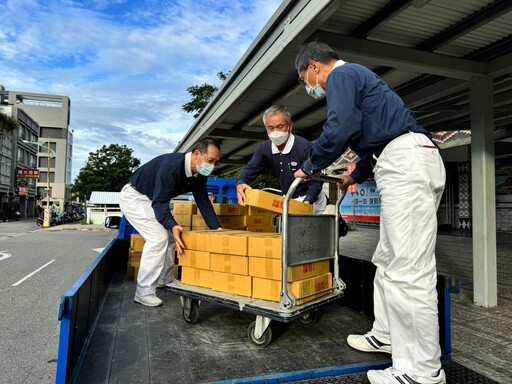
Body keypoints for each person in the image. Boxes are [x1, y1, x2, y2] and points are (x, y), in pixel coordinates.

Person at [293, 42, 446, 384]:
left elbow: (340, 126)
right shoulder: (360, 79)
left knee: (408, 271)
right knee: (388, 260)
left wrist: (309, 165)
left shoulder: (342, 75)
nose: (311, 86)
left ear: (315, 67)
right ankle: (386, 334)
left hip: (405, 165)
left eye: (307, 79)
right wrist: (354, 175)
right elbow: (373, 135)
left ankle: (422, 372)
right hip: (401, 160)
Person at [119, 137, 222, 307]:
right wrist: (173, 225)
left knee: (173, 239)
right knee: (158, 239)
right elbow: (160, 203)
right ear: (197, 154)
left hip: (151, 199)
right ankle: (143, 291)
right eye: (210, 160)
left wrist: (217, 228)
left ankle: (164, 279)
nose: (212, 166)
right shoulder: (172, 167)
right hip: (135, 198)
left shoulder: (199, 173)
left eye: (216, 162)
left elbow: (202, 199)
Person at [236, 104, 327, 215]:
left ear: (289, 126)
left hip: (311, 200)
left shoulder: (304, 147)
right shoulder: (264, 149)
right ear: (266, 129)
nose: (275, 132)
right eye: (271, 128)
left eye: (280, 127)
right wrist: (241, 183)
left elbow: (317, 178)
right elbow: (250, 169)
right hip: (288, 199)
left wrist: (308, 201)